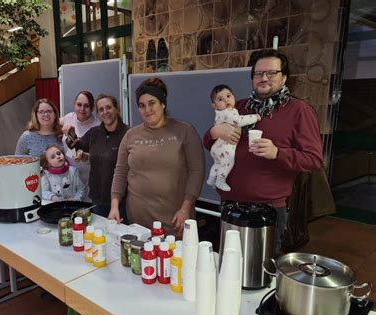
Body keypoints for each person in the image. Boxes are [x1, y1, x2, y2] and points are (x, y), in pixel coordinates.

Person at [203, 49, 323, 253]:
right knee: (229, 264)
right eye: (258, 74)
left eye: (271, 73)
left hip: (268, 207)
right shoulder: (238, 107)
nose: (264, 78)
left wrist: (278, 153)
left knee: (261, 270)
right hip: (230, 202)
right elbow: (208, 143)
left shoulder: (299, 111)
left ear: (284, 77)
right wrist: (215, 131)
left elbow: (313, 159)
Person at [109, 78, 205, 235]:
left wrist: (185, 208)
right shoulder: (131, 135)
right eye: (142, 105)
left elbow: (196, 172)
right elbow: (120, 172)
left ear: (163, 104)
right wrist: (114, 206)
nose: (147, 109)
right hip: (138, 223)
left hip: (175, 221)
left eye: (152, 103)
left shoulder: (185, 131)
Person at [67, 93, 129, 220]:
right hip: (96, 201)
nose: (105, 112)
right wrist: (70, 134)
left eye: (109, 107)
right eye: (101, 109)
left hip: (121, 203)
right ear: (98, 114)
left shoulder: (128, 134)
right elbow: (76, 146)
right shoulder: (94, 133)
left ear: (116, 109)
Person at [207, 84, 261, 191]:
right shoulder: (228, 113)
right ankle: (220, 181)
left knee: (218, 163)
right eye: (220, 99)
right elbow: (239, 120)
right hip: (225, 149)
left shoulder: (219, 113)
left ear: (233, 97)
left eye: (228, 96)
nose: (226, 100)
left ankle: (211, 178)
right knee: (227, 163)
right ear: (214, 105)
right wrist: (255, 117)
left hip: (216, 148)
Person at [60, 91, 101, 199]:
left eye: (86, 106)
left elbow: (98, 156)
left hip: (88, 177)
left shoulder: (98, 127)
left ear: (92, 108)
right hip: (69, 175)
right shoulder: (68, 118)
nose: (82, 109)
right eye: (79, 105)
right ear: (74, 104)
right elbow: (50, 123)